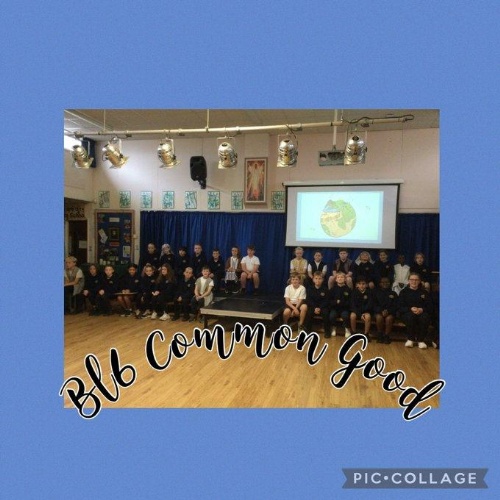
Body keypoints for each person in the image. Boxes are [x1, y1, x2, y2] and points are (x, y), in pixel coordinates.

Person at [398, 273, 433, 349]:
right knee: (410, 317)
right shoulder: (403, 292)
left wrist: (421, 309)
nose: (414, 281)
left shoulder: (424, 292)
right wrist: (410, 309)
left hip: (422, 313)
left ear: (419, 281)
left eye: (416, 280)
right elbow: (400, 307)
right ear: (408, 281)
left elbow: (430, 307)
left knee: (425, 317)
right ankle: (410, 339)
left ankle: (421, 340)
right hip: (407, 313)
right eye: (412, 280)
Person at [374, 276, 398, 344]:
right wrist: (381, 311)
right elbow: (374, 305)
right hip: (379, 312)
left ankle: (386, 336)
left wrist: (388, 311)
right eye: (383, 282)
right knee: (379, 317)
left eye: (387, 282)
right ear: (380, 284)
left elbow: (396, 306)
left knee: (389, 318)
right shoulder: (376, 293)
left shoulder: (393, 293)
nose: (385, 283)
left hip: (390, 313)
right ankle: (380, 335)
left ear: (390, 283)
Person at [304, 272, 329, 336]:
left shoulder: (325, 289)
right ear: (313, 280)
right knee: (309, 313)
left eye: (320, 278)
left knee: (326, 313)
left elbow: (326, 301)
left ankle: (327, 331)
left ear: (322, 280)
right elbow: (309, 300)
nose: (318, 280)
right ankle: (308, 330)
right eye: (316, 278)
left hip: (322, 307)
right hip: (313, 306)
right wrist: (315, 308)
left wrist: (320, 308)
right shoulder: (310, 289)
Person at [327, 271, 352, 337]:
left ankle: (347, 329)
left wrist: (341, 302)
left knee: (345, 316)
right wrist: (335, 302)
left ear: (345, 279)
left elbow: (349, 301)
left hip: (344, 308)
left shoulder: (348, 289)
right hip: (335, 308)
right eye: (338, 277)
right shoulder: (333, 289)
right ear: (336, 279)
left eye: (342, 277)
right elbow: (329, 300)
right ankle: (333, 327)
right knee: (332, 316)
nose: (340, 278)